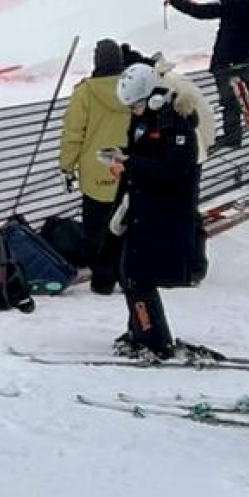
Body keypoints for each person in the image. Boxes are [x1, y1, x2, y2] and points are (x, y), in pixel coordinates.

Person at [106, 61, 204, 361]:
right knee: (129, 273)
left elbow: (175, 171)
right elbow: (142, 155)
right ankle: (140, 329)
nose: (133, 111)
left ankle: (153, 338)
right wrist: (122, 161)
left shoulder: (175, 123)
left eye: (135, 104)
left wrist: (131, 164)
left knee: (138, 276)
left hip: (165, 213)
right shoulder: (144, 121)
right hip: (143, 208)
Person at [165, 0, 249, 149]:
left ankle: (233, 138)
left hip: (226, 63)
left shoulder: (231, 4)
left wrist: (173, 0)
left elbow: (200, 12)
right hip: (246, 61)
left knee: (229, 101)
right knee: (248, 97)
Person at [57, 38, 131, 294]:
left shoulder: (85, 92)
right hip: (126, 167)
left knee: (97, 228)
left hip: (95, 170)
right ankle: (127, 274)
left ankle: (103, 279)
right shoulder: (131, 86)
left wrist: (66, 165)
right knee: (127, 224)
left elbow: (73, 133)